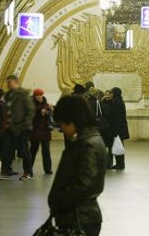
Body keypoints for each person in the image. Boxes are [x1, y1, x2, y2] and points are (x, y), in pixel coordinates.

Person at [48, 95, 106, 236]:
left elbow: (85, 183)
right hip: (78, 215)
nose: (62, 129)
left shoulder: (87, 145)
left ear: (73, 120)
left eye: (62, 124)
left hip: (79, 218)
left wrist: (59, 200)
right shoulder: (88, 140)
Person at [1, 75, 35, 180]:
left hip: (22, 128)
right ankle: (6, 170)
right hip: (10, 128)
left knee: (24, 150)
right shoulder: (8, 95)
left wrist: (25, 125)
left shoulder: (23, 94)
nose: (7, 84)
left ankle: (28, 172)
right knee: (7, 149)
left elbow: (30, 111)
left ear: (15, 82)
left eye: (9, 82)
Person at [30, 88, 53, 175]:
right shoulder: (31, 105)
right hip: (35, 130)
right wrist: (39, 112)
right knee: (33, 150)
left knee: (46, 150)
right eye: (37, 96)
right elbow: (30, 115)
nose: (39, 97)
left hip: (45, 130)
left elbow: (50, 117)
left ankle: (48, 169)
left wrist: (50, 110)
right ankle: (29, 168)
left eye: (40, 96)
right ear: (34, 96)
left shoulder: (46, 104)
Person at [108, 87, 129, 170]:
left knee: (118, 146)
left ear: (115, 93)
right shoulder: (119, 101)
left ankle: (120, 164)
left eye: (111, 93)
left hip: (117, 128)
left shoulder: (116, 103)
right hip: (120, 128)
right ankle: (120, 164)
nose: (110, 94)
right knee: (119, 146)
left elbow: (114, 116)